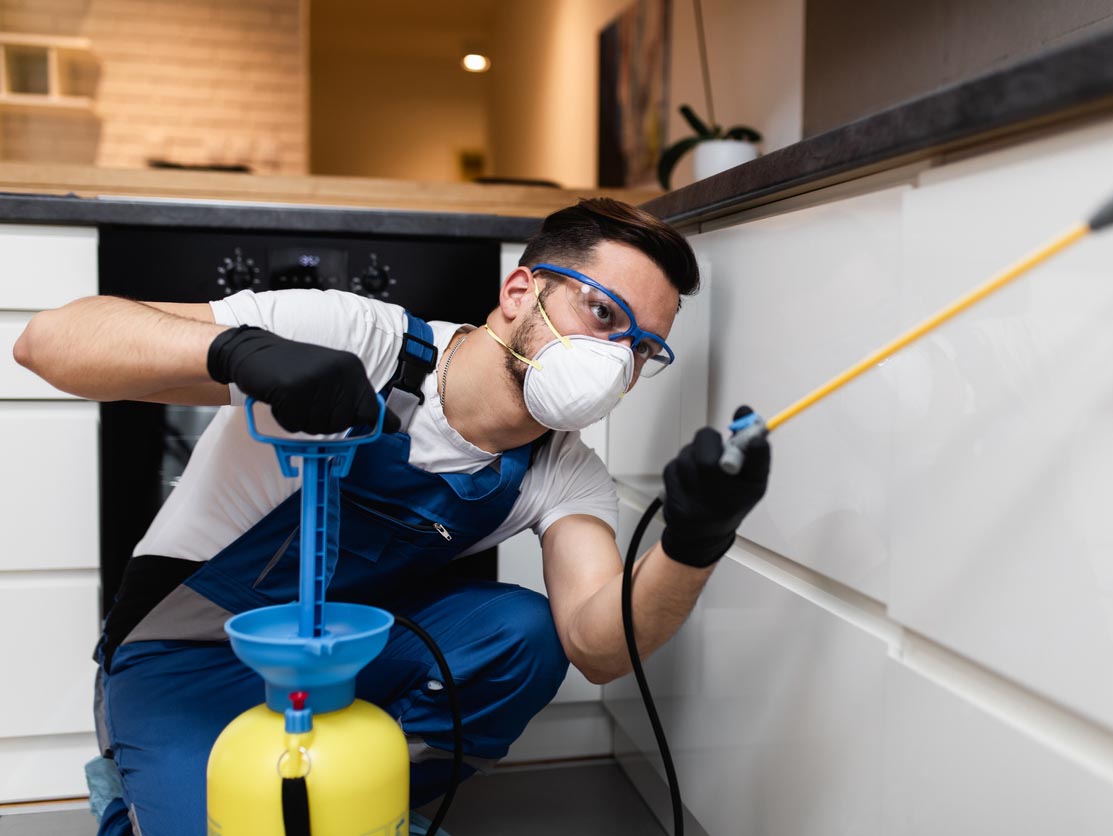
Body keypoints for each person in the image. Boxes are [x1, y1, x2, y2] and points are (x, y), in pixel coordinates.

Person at [14, 197, 770, 836]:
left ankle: (367, 800)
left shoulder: (564, 472)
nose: (613, 359)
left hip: (343, 662)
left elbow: (597, 644)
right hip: (186, 658)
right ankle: (138, 780)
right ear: (519, 293)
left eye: (640, 349)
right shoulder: (359, 336)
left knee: (525, 634)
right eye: (601, 313)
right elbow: (47, 342)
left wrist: (693, 543)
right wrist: (238, 351)